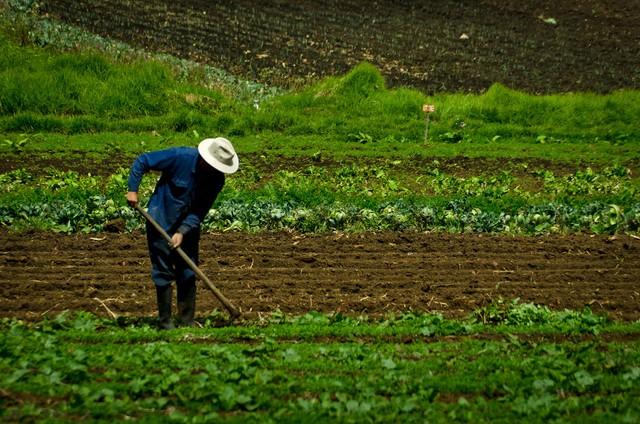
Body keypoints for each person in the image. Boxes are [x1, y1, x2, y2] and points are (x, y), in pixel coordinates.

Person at [126, 137, 239, 329]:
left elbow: (200, 210)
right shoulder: (180, 156)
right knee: (163, 271)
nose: (215, 170)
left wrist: (183, 231)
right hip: (160, 219)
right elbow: (143, 160)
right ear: (205, 159)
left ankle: (186, 321)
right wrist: (132, 190)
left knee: (187, 271)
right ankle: (165, 323)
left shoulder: (217, 180)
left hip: (188, 227)